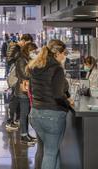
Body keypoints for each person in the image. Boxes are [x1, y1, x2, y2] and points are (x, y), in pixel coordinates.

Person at [27, 39, 73, 169]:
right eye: (64, 52)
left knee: (47, 151)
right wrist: (67, 101)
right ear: (57, 53)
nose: (65, 56)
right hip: (52, 115)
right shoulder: (56, 68)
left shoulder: (36, 66)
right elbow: (58, 94)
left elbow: (31, 89)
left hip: (35, 113)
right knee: (51, 153)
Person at [5, 33, 33, 131]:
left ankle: (16, 120)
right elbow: (9, 60)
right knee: (15, 99)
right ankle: (10, 121)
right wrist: (21, 55)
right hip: (16, 77)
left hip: (18, 77)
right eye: (27, 43)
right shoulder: (15, 47)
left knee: (17, 99)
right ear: (24, 41)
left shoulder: (17, 48)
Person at [15, 42, 38, 146]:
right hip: (23, 91)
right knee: (24, 114)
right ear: (27, 50)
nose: (34, 53)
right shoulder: (21, 60)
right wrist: (33, 69)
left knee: (26, 113)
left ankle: (26, 134)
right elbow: (24, 74)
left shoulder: (26, 60)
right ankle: (23, 135)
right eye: (33, 51)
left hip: (27, 90)